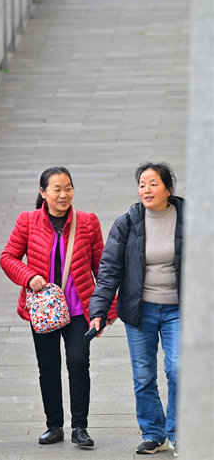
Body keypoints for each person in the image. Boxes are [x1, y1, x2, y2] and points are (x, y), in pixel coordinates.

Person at [0, 166, 112, 448]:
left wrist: (105, 312)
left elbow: (103, 268)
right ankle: (54, 426)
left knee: (78, 363)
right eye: (57, 189)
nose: (64, 195)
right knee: (48, 367)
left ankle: (80, 427)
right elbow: (7, 257)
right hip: (43, 310)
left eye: (68, 188)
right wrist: (29, 276)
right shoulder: (27, 221)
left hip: (78, 310)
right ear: (43, 192)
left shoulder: (87, 222)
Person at [89, 162, 183, 456]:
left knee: (179, 369)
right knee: (143, 375)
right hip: (140, 310)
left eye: (154, 184)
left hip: (179, 310)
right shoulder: (128, 222)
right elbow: (110, 269)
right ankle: (154, 433)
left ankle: (180, 431)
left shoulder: (191, 218)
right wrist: (99, 310)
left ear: (168, 189)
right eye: (142, 184)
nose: (147, 189)